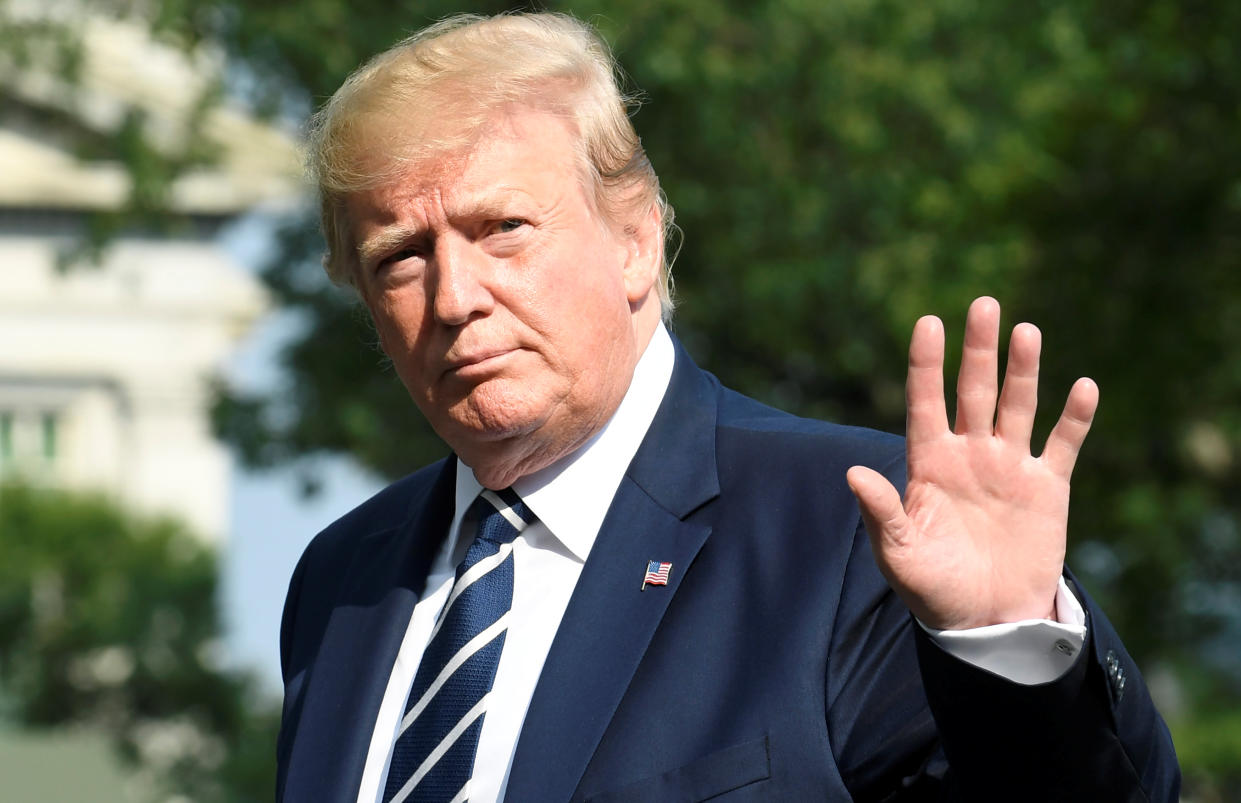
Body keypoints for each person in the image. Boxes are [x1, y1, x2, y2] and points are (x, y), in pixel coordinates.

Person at [276, 12, 1179, 802]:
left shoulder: (861, 525)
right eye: (400, 257)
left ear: (634, 240)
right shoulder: (341, 579)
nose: (454, 297)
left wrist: (1006, 647)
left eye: (501, 228)